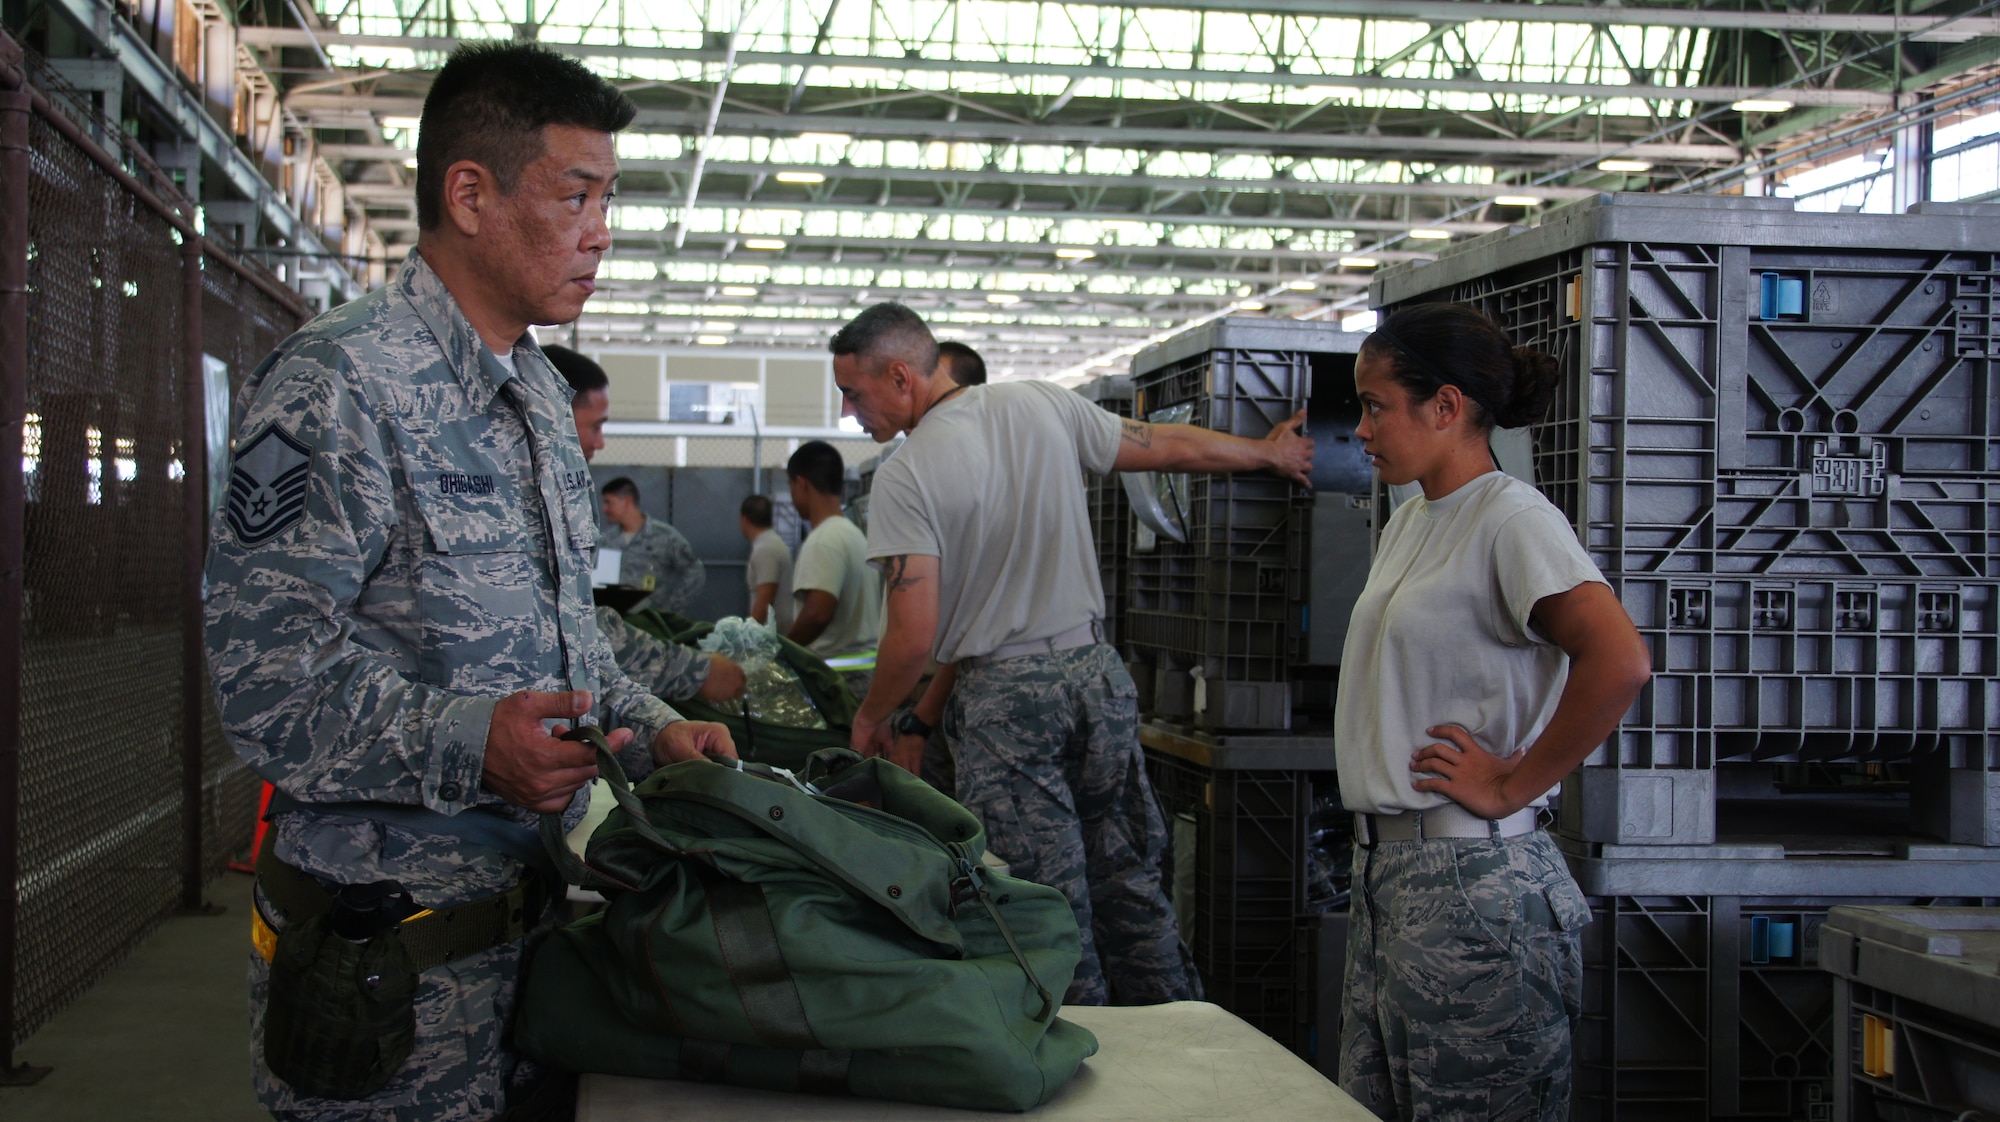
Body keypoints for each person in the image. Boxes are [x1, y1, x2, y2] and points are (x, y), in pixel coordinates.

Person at [204, 43, 738, 1122]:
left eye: (608, 199)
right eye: (575, 196)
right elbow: (264, 686)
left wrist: (652, 727)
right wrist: (471, 741)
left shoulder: (536, 395)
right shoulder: (337, 382)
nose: (601, 230)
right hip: (386, 976)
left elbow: (563, 641)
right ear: (470, 195)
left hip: (531, 944)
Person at [832, 302, 1314, 1006]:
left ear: (901, 376)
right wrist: (1268, 454)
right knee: (1131, 883)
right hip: (1097, 677)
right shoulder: (1042, 403)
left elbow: (912, 636)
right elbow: (1162, 446)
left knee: (1045, 905)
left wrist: (873, 716)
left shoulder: (907, 475)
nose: (849, 412)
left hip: (1008, 705)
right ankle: (1182, 1037)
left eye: (853, 393)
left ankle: (1082, 1052)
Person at [1335, 303, 1651, 1121]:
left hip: (1471, 884)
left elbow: (1619, 659)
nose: (1361, 430)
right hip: (1387, 880)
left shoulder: (1513, 520)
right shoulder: (1410, 520)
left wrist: (1513, 783)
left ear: (1445, 406)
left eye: (1376, 406)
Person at [547, 344, 749, 705]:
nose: (600, 442)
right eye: (595, 426)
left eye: (611, 502)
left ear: (628, 501)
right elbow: (575, 623)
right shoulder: (598, 533)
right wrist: (692, 670)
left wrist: (667, 610)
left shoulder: (662, 537)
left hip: (646, 632)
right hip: (623, 646)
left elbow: (692, 573)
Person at [785, 440, 882, 697]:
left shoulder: (824, 540)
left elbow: (818, 613)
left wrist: (782, 650)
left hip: (835, 682)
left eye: (790, 486)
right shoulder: (853, 535)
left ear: (802, 483)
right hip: (865, 677)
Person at [599, 476, 703, 613]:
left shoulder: (665, 536)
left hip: (651, 618)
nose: (604, 509)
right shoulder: (607, 539)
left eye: (609, 502)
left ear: (627, 502)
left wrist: (672, 609)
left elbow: (694, 571)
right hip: (615, 619)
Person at [739, 494, 795, 631]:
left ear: (744, 520)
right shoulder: (770, 543)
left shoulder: (766, 549)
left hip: (772, 635)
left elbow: (765, 600)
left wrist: (748, 635)